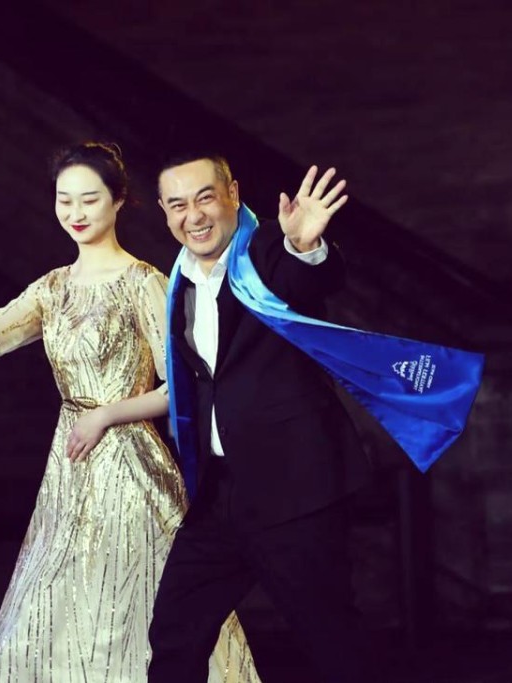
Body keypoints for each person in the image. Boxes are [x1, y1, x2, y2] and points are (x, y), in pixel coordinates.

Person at [0, 143, 260, 683]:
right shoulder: (53, 287)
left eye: (89, 199)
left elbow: (183, 387)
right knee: (51, 609)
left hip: (131, 466)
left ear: (119, 200)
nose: (76, 213)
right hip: (71, 469)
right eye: (65, 201)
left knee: (133, 602)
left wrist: (106, 415)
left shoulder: (143, 282)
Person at [148, 155, 375, 683]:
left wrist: (305, 247)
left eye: (205, 197)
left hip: (295, 490)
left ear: (232, 193)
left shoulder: (267, 249)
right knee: (175, 634)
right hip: (220, 495)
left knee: (332, 642)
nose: (193, 216)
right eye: (178, 205)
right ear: (164, 211)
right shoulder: (180, 280)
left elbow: (308, 279)